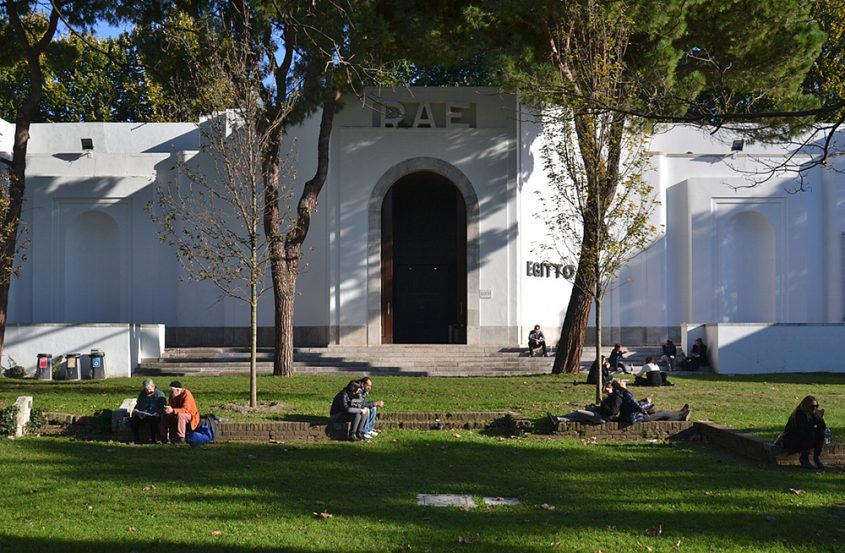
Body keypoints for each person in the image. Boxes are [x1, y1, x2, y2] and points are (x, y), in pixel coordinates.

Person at [778, 396, 827, 470]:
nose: (814, 408)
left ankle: (816, 458)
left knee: (820, 433)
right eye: (812, 406)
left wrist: (819, 419)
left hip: (804, 439)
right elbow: (803, 428)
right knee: (809, 433)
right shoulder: (799, 414)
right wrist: (815, 419)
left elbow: (822, 428)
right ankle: (804, 458)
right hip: (791, 441)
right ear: (806, 406)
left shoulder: (813, 414)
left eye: (816, 406)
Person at [617, 379, 690, 424]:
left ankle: (680, 414)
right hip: (638, 418)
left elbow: (633, 405)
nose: (623, 381)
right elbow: (636, 406)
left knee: (661, 413)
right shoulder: (626, 394)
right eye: (621, 381)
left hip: (634, 416)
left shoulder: (622, 394)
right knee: (662, 414)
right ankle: (682, 415)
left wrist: (644, 402)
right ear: (620, 385)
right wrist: (647, 403)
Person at [550, 380, 622, 424]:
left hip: (603, 418)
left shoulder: (616, 398)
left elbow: (611, 412)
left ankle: (558, 418)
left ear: (612, 389)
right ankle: (558, 419)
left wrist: (602, 402)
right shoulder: (611, 397)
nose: (606, 391)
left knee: (578, 412)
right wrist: (594, 407)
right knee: (579, 418)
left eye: (607, 389)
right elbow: (603, 408)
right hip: (600, 414)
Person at [160, 381, 200, 445]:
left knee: (181, 415)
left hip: (191, 416)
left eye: (172, 391)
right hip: (176, 413)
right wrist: (167, 409)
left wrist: (172, 410)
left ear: (178, 390)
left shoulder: (187, 394)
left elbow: (186, 410)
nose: (171, 393)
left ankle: (181, 438)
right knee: (165, 415)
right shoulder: (172, 395)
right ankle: (163, 436)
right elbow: (171, 406)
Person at [130, 378, 167, 444]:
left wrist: (157, 413)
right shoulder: (142, 394)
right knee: (133, 420)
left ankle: (153, 439)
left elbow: (163, 407)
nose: (148, 391)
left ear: (153, 386)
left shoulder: (160, 394)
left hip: (154, 415)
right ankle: (136, 440)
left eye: (149, 389)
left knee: (153, 420)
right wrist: (136, 411)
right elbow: (138, 405)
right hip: (143, 415)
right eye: (146, 390)